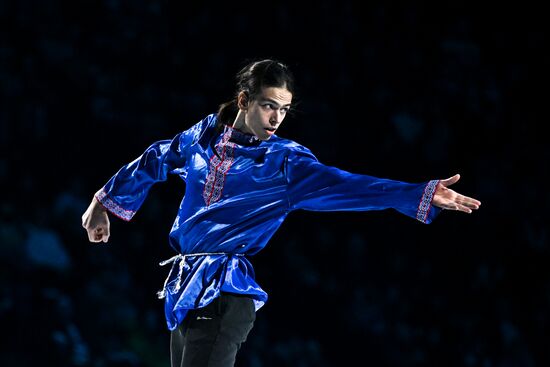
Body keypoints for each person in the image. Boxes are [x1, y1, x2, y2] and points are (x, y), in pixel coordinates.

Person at [81, 58, 481, 367]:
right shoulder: (202, 137)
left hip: (225, 293)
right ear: (244, 101)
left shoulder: (284, 161)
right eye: (268, 105)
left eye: (284, 110)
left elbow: (346, 184)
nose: (276, 118)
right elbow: (157, 157)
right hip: (185, 289)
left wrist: (418, 193)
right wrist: (102, 203)